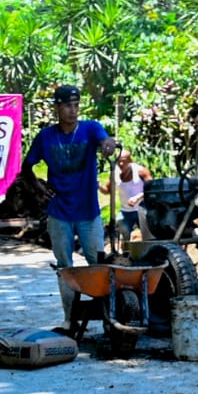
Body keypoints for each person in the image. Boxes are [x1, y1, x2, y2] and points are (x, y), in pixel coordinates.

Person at [20, 85, 120, 325]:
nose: (72, 111)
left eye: (76, 105)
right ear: (57, 107)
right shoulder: (46, 137)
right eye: (66, 106)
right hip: (59, 212)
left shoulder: (90, 129)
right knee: (65, 266)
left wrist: (108, 144)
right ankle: (70, 318)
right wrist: (39, 188)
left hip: (88, 211)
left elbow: (105, 140)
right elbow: (26, 167)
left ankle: (108, 316)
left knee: (97, 263)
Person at [102, 150, 152, 239]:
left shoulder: (141, 171)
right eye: (118, 161)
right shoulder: (115, 173)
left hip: (141, 208)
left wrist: (138, 197)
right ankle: (126, 251)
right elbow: (107, 191)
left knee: (148, 235)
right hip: (125, 210)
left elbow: (152, 189)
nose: (121, 164)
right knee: (123, 229)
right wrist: (97, 185)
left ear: (130, 161)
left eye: (123, 161)